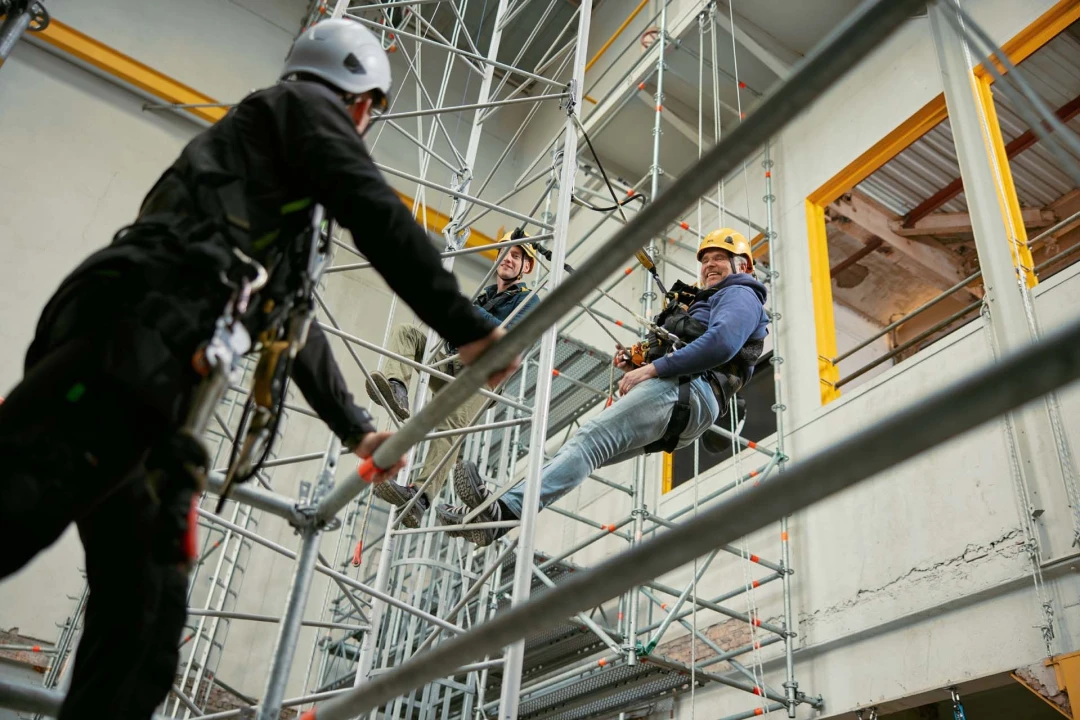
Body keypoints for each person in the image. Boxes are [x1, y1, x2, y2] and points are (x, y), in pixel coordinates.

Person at [0, 19, 516, 720]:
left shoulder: (278, 203)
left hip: (162, 391)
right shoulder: (294, 108)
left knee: (145, 629)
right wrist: (469, 329)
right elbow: (374, 209)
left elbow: (291, 327)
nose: (362, 128)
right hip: (129, 343)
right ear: (359, 99)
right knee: (21, 499)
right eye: (367, 113)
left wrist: (357, 430)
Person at [436, 228, 769, 546]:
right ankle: (492, 516)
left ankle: (501, 512)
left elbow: (721, 344)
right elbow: (704, 345)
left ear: (744, 265)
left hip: (689, 390)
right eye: (705, 259)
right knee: (587, 451)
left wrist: (652, 369)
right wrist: (638, 365)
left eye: (719, 258)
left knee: (588, 439)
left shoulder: (739, 293)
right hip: (688, 404)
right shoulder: (711, 301)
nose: (709, 265)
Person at [366, 233, 540, 526]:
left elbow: (510, 338)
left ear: (527, 267)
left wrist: (469, 311)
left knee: (451, 426)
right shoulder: (485, 295)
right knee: (407, 334)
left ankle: (419, 497)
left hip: (481, 375)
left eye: (517, 255)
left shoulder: (527, 300)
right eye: (505, 252)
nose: (508, 258)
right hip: (450, 360)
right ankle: (396, 388)